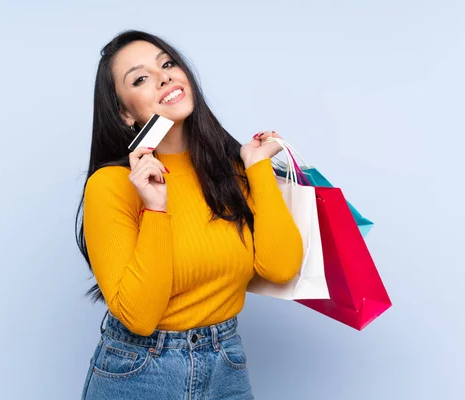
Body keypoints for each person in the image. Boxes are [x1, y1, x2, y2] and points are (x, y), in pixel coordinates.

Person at [75, 30, 304, 400]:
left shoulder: (230, 174)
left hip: (226, 363)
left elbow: (280, 268)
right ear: (124, 112)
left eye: (167, 63)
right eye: (140, 78)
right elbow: (139, 317)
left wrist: (257, 166)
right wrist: (155, 207)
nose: (164, 76)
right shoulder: (112, 185)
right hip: (140, 371)